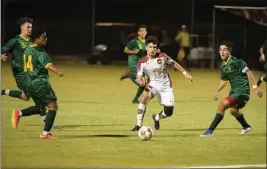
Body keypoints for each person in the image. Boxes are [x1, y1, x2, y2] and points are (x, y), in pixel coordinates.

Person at [201, 41, 263, 137]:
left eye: (225, 50)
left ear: (230, 51)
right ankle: (246, 126)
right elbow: (224, 81)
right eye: (220, 50)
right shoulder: (223, 65)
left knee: (222, 105)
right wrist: (217, 91)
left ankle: (210, 131)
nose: (222, 52)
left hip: (242, 91)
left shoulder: (237, 62)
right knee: (233, 111)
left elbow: (249, 72)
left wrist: (255, 87)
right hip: (235, 92)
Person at [131, 36, 193, 131]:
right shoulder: (142, 62)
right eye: (150, 47)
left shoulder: (162, 56)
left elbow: (174, 63)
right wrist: (139, 80)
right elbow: (139, 77)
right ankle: (138, 125)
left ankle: (156, 117)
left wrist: (185, 73)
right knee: (144, 97)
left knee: (169, 112)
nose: (152, 49)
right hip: (153, 84)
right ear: (146, 47)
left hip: (166, 86)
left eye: (154, 47)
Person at [12, 28, 63, 139]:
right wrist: (57, 71)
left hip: (29, 84)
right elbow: (48, 65)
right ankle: (45, 133)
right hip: (40, 83)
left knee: (40, 108)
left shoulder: (27, 50)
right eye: (43, 38)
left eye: (46, 38)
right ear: (36, 38)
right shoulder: (40, 51)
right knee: (53, 106)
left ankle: (19, 113)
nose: (45, 40)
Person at [1, 17, 33, 101]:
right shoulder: (15, 40)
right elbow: (3, 50)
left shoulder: (31, 41)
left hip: (30, 70)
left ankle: (2, 92)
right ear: (21, 27)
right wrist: (1, 55)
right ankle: (42, 107)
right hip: (19, 71)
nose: (30, 29)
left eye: (31, 27)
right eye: (28, 27)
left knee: (25, 97)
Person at [120, 24, 148, 104]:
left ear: (146, 32)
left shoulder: (147, 42)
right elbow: (125, 50)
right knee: (142, 84)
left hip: (142, 65)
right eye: (141, 31)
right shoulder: (134, 41)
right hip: (134, 64)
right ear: (138, 33)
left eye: (144, 30)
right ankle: (129, 75)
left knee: (144, 84)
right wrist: (133, 52)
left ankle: (135, 99)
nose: (143, 32)